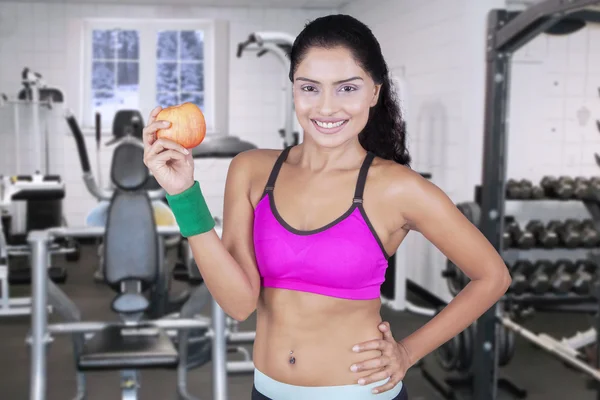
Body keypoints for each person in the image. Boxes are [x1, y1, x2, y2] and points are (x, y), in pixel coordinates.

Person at [143, 14, 511, 400]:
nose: (327, 107)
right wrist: (183, 194)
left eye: (347, 88)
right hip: (267, 392)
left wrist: (407, 352)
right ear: (294, 91)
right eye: (310, 88)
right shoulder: (251, 170)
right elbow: (238, 304)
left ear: (374, 92)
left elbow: (492, 276)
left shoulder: (398, 188)